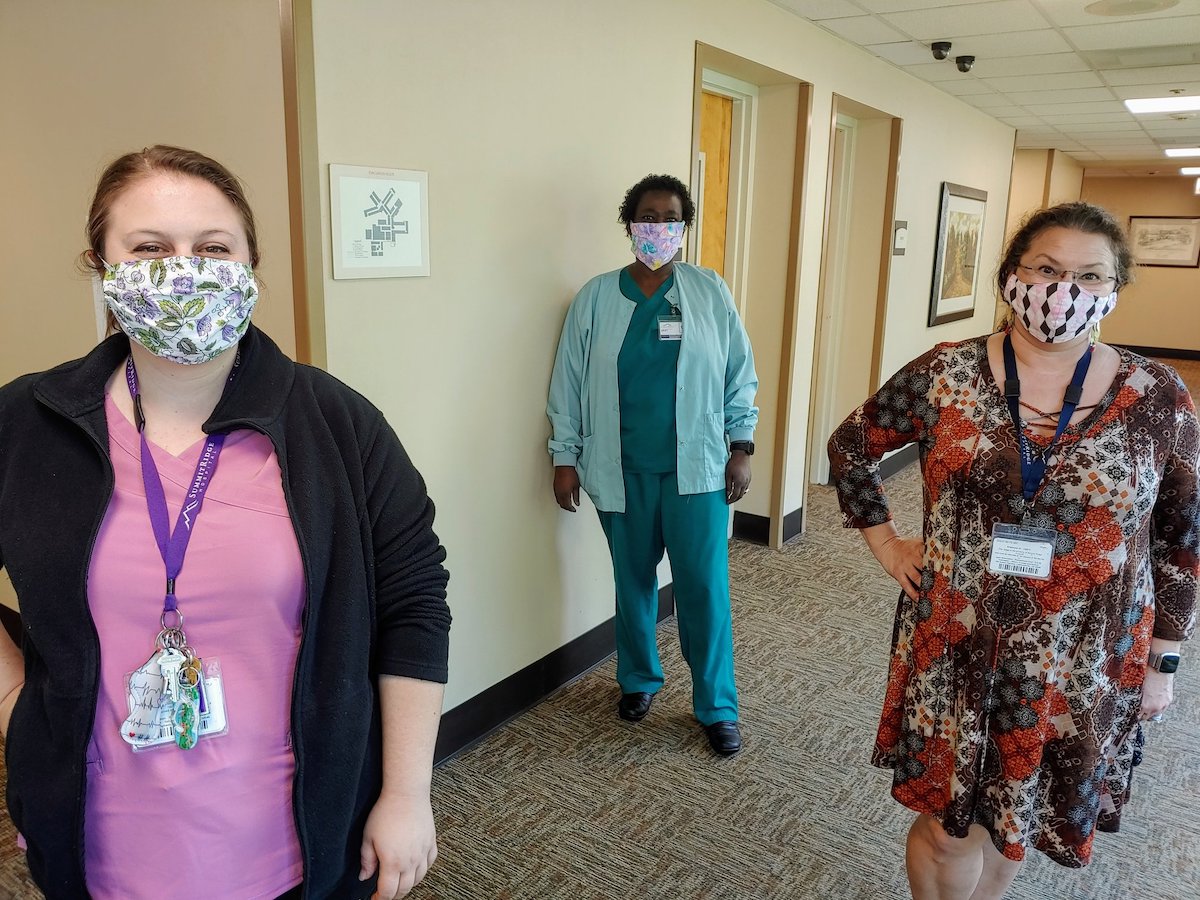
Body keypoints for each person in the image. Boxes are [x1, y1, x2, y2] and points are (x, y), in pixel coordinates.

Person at [0, 146, 452, 900]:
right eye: (149, 248)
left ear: (250, 263)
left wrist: (406, 794)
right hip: (101, 840)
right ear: (102, 267)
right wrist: (18, 707)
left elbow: (414, 603)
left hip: (296, 838)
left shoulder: (336, 422)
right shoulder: (27, 421)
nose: (186, 269)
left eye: (213, 248)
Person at [828, 201, 1198, 899]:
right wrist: (885, 543)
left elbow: (1182, 535)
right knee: (948, 827)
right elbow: (852, 446)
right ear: (1010, 277)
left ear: (1116, 289)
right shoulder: (947, 374)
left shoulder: (1158, 396)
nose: (1066, 291)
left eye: (1090, 276)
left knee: (1012, 819)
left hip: (1085, 656)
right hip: (960, 641)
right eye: (1047, 269)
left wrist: (1165, 660)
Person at [546, 173, 758, 757]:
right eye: (647, 216)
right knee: (632, 584)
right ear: (629, 224)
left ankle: (717, 705)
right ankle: (638, 681)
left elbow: (738, 371)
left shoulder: (708, 291)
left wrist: (741, 445)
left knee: (703, 591)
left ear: (683, 228)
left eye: (670, 218)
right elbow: (567, 383)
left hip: (698, 473)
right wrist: (565, 457)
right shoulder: (595, 297)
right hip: (620, 470)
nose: (658, 227)